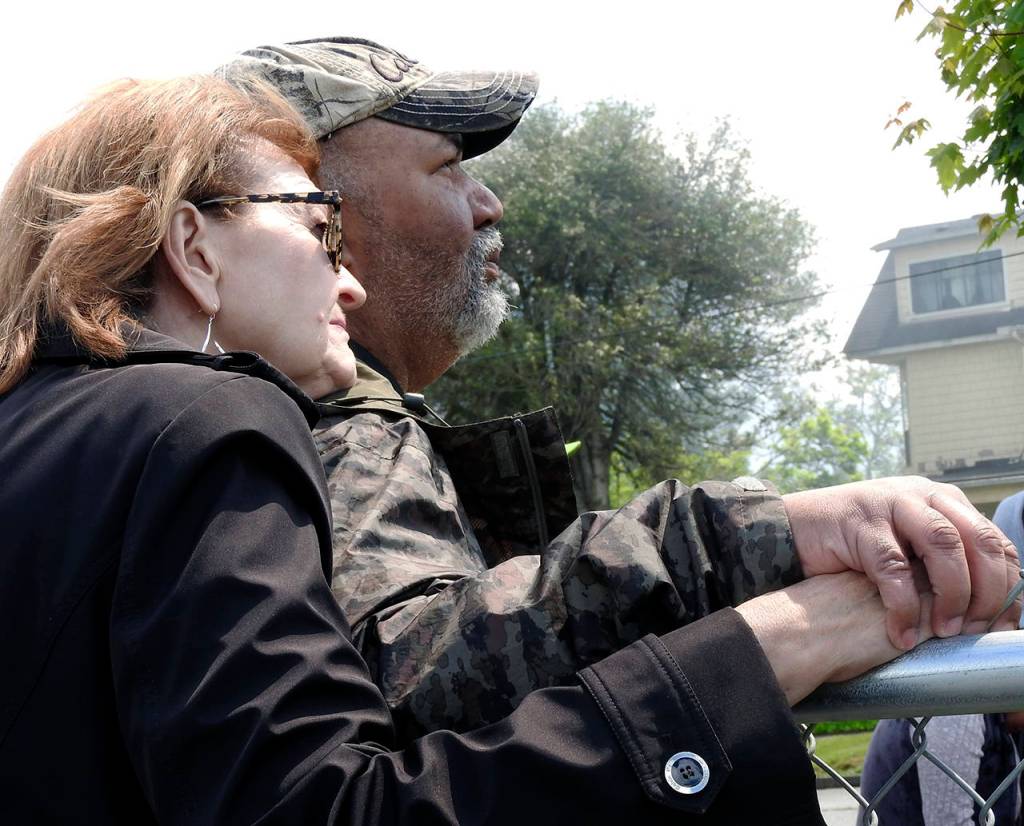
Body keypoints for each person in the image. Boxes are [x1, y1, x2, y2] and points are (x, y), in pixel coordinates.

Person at [0, 71, 955, 826]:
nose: (353, 283)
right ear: (195, 248)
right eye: (322, 224)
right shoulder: (208, 422)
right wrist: (760, 647)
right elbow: (333, 800)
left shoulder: (43, 432)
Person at [223, 37, 1024, 739]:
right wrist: (755, 542)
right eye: (448, 165)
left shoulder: (222, 408)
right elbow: (412, 679)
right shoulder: (315, 419)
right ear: (317, 205)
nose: (488, 204)